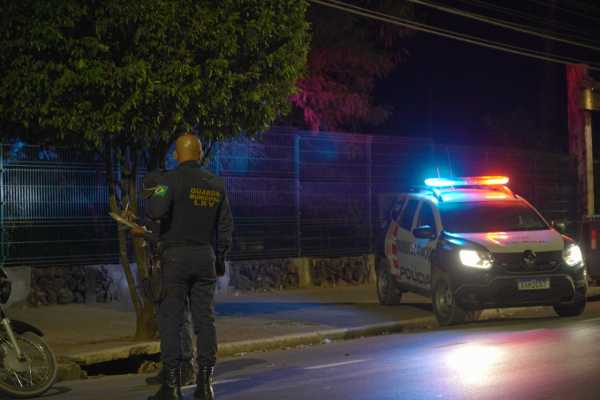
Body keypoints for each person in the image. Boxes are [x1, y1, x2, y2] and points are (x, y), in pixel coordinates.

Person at [141, 133, 234, 400]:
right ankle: (205, 385)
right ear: (200, 154)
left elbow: (155, 211)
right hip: (205, 257)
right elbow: (226, 226)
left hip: (175, 258)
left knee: (171, 320)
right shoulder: (216, 184)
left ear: (177, 154)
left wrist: (156, 190)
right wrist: (219, 258)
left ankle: (171, 387)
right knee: (205, 321)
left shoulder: (169, 180)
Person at [140, 169, 197, 387]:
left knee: (180, 319)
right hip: (164, 271)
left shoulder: (176, 210)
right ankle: (170, 368)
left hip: (177, 270)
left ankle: (186, 368)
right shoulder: (163, 209)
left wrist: (144, 234)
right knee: (165, 321)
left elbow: (168, 239)